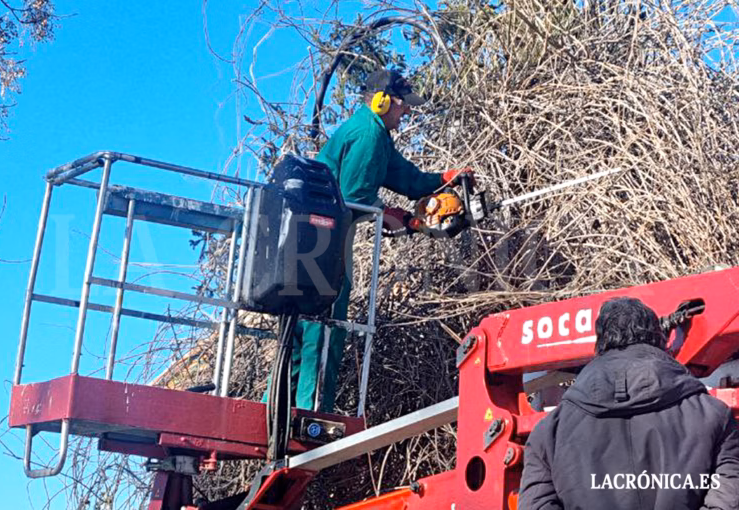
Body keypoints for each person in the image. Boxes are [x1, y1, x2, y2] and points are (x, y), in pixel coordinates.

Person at [288, 69, 474, 412]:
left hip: (310, 240)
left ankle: (276, 414)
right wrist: (402, 218)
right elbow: (354, 198)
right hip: (323, 243)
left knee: (298, 336)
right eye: (404, 105)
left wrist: (445, 179)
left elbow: (408, 179)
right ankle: (312, 416)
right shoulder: (368, 135)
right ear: (382, 101)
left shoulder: (376, 135)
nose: (408, 111)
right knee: (324, 330)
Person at [518, 297, 739, 510]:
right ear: (659, 340)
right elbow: (729, 497)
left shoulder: (549, 433)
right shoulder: (713, 416)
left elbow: (536, 504)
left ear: (599, 345)